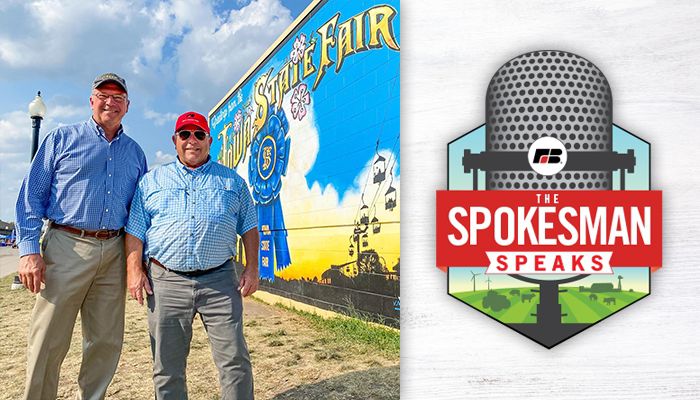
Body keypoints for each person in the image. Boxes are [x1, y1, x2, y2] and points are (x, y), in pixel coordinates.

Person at [15, 72, 147, 399]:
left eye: (118, 98)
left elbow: (141, 213)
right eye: (103, 95)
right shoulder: (62, 139)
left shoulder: (135, 153)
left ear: (127, 107)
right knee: (48, 339)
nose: (110, 102)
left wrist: (140, 262)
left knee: (105, 342)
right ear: (91, 101)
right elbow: (31, 195)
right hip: (66, 246)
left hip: (114, 250)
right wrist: (29, 251)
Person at [125, 111, 259, 400]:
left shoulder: (232, 182)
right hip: (166, 281)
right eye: (185, 134)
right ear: (174, 140)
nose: (192, 141)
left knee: (234, 359)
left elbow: (249, 226)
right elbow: (135, 230)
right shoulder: (151, 181)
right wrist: (134, 271)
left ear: (209, 141)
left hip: (220, 282)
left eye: (199, 134)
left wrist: (252, 268)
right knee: (167, 365)